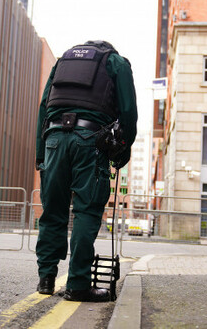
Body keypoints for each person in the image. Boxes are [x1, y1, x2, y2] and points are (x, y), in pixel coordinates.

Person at [35, 40, 138, 302]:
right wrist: (123, 149)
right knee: (86, 211)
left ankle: (46, 278)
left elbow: (43, 109)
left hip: (53, 140)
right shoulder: (116, 62)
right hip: (89, 140)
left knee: (53, 211)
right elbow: (128, 112)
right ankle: (78, 284)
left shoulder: (62, 62)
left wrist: (40, 156)